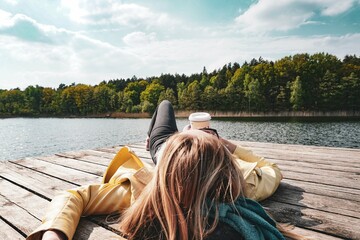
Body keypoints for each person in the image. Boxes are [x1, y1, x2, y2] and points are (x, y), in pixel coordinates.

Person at [27, 100, 283, 240]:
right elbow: (271, 169)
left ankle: (152, 139)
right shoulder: (240, 189)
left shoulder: (145, 191)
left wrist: (54, 234)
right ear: (227, 170)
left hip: (164, 149)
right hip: (181, 151)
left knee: (165, 104)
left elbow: (74, 196)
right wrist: (224, 144)